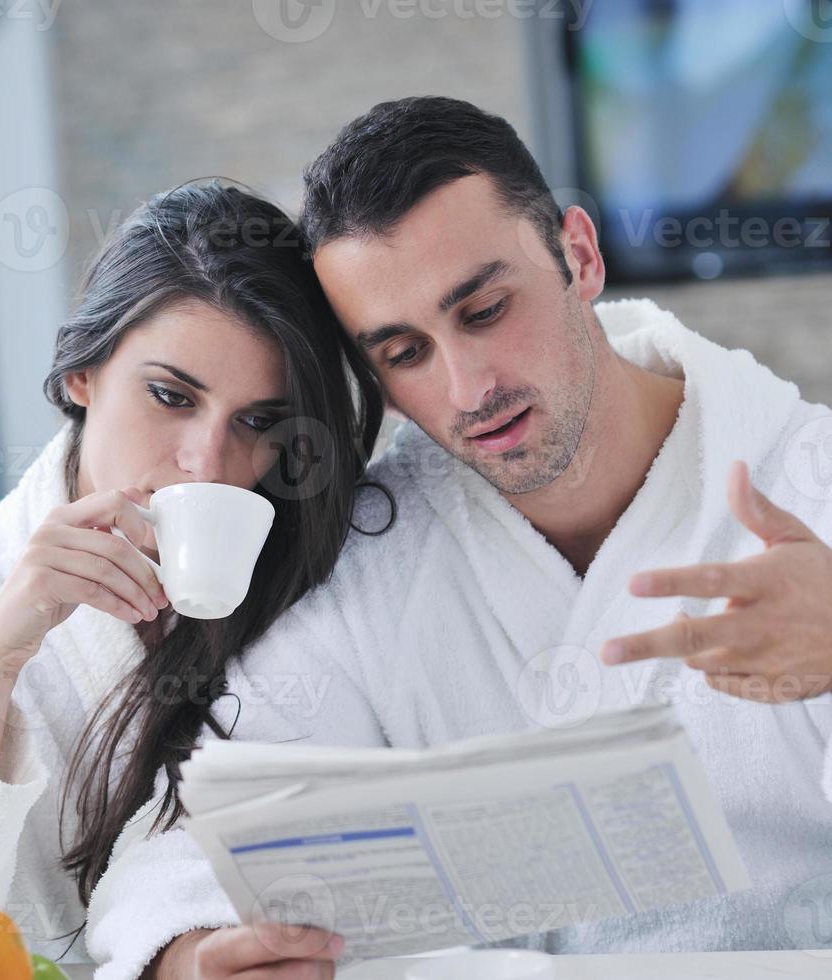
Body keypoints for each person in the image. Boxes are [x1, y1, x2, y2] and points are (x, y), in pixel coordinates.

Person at [100, 97, 832, 980]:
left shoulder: (807, 482)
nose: (468, 385)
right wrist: (192, 953)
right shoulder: (380, 552)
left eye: (484, 310)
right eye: (404, 353)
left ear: (580, 256)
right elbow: (197, 830)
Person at [0, 180, 385, 971]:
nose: (207, 464)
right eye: (170, 396)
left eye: (257, 423)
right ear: (83, 374)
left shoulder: (314, 573)